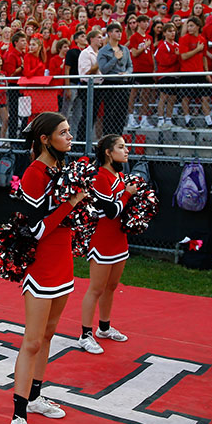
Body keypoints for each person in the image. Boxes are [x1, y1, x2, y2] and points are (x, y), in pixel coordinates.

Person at [7, 111, 86, 424]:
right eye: (63, 132)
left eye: (70, 132)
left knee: (49, 335)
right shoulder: (34, 173)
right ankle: (17, 417)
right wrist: (72, 202)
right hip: (41, 267)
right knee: (32, 341)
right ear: (44, 138)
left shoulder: (63, 170)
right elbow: (37, 229)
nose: (70, 137)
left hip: (64, 264)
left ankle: (36, 397)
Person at [76, 134, 137, 355]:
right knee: (96, 288)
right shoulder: (100, 176)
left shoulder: (118, 174)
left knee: (111, 286)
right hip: (102, 240)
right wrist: (129, 195)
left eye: (126, 147)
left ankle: (104, 327)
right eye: (121, 147)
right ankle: (85, 334)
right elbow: (111, 212)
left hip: (119, 239)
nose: (126, 150)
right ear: (108, 153)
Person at [96, 23, 133, 136]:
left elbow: (130, 66)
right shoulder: (103, 51)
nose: (119, 34)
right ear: (110, 33)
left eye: (120, 32)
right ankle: (108, 138)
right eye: (116, 31)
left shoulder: (125, 49)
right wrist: (114, 58)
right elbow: (103, 69)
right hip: (110, 84)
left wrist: (126, 73)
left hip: (123, 84)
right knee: (109, 113)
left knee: (121, 113)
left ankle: (118, 137)